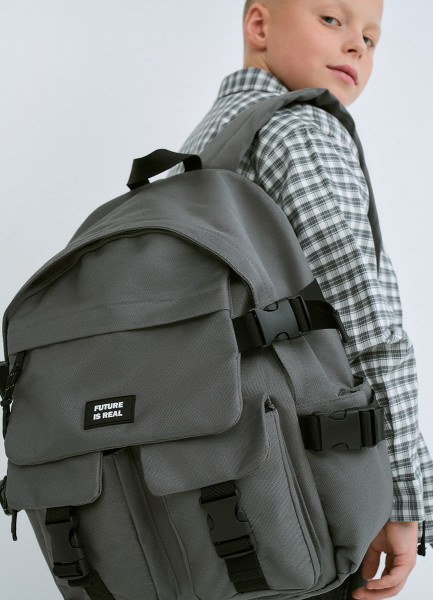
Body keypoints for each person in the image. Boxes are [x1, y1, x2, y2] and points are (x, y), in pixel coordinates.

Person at [173, 1, 433, 599]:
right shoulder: (301, 131)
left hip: (207, 493)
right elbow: (365, 319)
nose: (357, 45)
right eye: (332, 20)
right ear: (260, 25)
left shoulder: (200, 145)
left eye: (371, 37)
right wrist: (402, 495)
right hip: (300, 497)